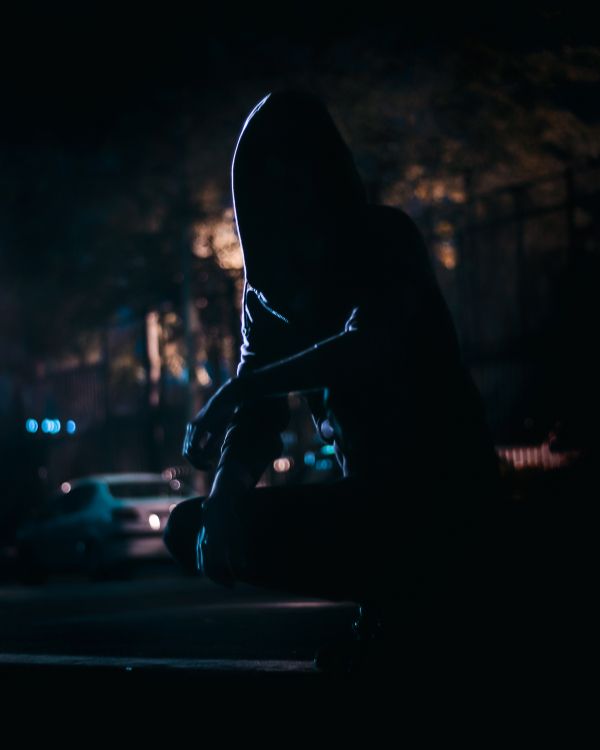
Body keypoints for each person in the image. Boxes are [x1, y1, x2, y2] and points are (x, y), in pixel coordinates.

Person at [164, 90, 501, 672]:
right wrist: (222, 498)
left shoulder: (384, 240)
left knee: (422, 521)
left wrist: (239, 390)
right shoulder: (267, 295)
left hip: (444, 493)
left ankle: (426, 607)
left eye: (296, 177)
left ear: (323, 176)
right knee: (190, 527)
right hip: (367, 502)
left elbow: (370, 345)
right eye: (269, 186)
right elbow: (258, 422)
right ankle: (390, 608)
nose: (285, 199)